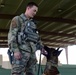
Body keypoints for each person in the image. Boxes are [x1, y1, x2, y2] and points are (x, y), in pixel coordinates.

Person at [8, 2, 43, 75]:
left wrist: (42, 47)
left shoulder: (33, 24)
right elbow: (12, 35)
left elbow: (37, 37)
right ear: (28, 8)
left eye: (36, 11)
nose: (35, 13)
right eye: (34, 10)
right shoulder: (18, 19)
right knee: (17, 73)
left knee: (31, 73)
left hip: (32, 54)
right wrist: (15, 50)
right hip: (21, 53)